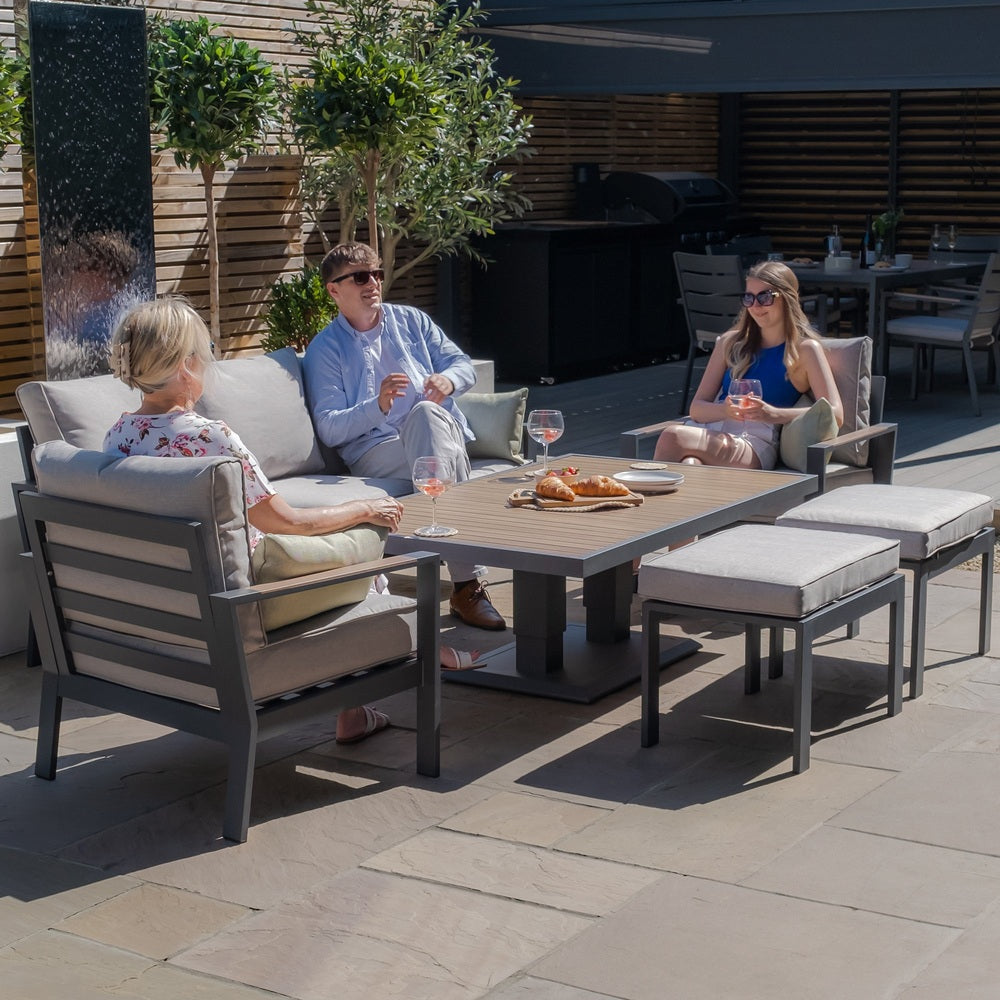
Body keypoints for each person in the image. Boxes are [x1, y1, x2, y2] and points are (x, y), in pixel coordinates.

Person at [103, 298, 479, 747]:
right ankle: (413, 652)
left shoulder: (117, 437)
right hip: (250, 602)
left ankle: (364, 700)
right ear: (186, 366)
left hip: (171, 603)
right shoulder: (210, 437)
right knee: (363, 547)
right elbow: (292, 523)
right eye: (206, 353)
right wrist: (364, 510)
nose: (208, 362)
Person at [302, 241, 506, 632]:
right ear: (333, 290)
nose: (373, 283)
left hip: (437, 433)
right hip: (377, 450)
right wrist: (376, 406)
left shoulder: (411, 321)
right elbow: (329, 425)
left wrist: (448, 380)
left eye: (376, 274)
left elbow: (461, 364)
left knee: (426, 416)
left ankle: (449, 574)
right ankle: (467, 585)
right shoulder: (325, 349)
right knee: (434, 439)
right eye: (360, 277)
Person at [654, 260, 844, 468]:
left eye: (765, 297)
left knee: (672, 436)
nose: (755, 306)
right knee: (691, 464)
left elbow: (835, 413)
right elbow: (697, 409)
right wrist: (725, 411)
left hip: (755, 441)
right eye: (749, 297)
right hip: (711, 430)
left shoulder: (805, 350)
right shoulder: (730, 343)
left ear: (787, 298)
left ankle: (645, 487)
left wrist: (775, 414)